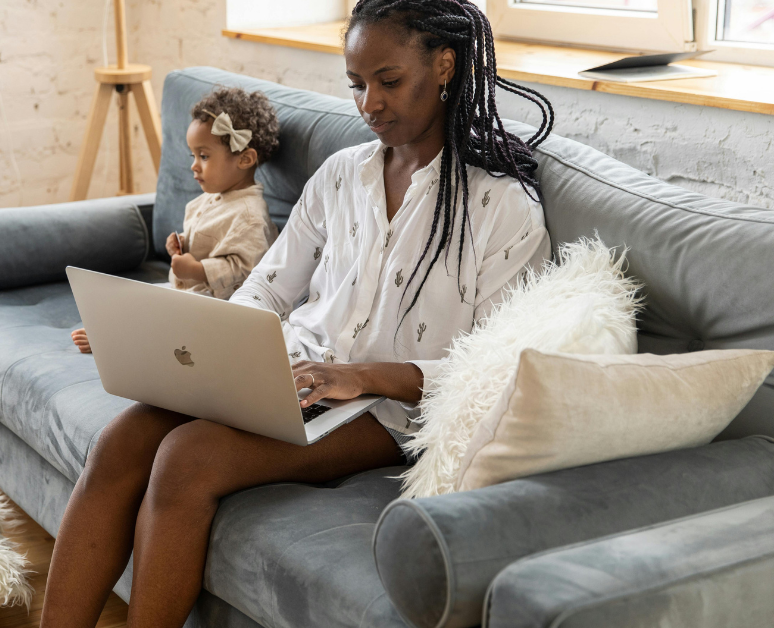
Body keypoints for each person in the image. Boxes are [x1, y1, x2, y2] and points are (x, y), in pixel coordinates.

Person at [41, 0, 556, 625]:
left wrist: (362, 376)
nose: (369, 103)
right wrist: (168, 336)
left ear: (445, 65)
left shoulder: (502, 206)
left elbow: (494, 371)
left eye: (388, 81)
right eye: (357, 85)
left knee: (186, 458)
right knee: (121, 440)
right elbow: (267, 290)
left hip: (386, 409)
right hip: (289, 372)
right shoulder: (342, 175)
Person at [71, 86, 280, 353]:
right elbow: (209, 241)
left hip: (217, 305)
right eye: (192, 155)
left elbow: (245, 270)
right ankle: (115, 325)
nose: (194, 165)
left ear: (245, 159)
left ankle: (116, 338)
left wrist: (195, 270)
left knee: (161, 319)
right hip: (187, 292)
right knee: (136, 297)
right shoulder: (213, 197)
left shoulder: (249, 216)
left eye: (203, 156)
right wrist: (182, 244)